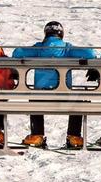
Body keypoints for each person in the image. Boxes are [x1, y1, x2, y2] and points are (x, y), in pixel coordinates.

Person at [11, 20, 87, 148]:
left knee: (34, 97)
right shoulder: (67, 49)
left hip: (41, 96)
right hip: (63, 95)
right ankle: (74, 136)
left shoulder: (39, 48)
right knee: (78, 99)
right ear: (61, 34)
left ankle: (37, 135)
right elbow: (90, 54)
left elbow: (17, 52)